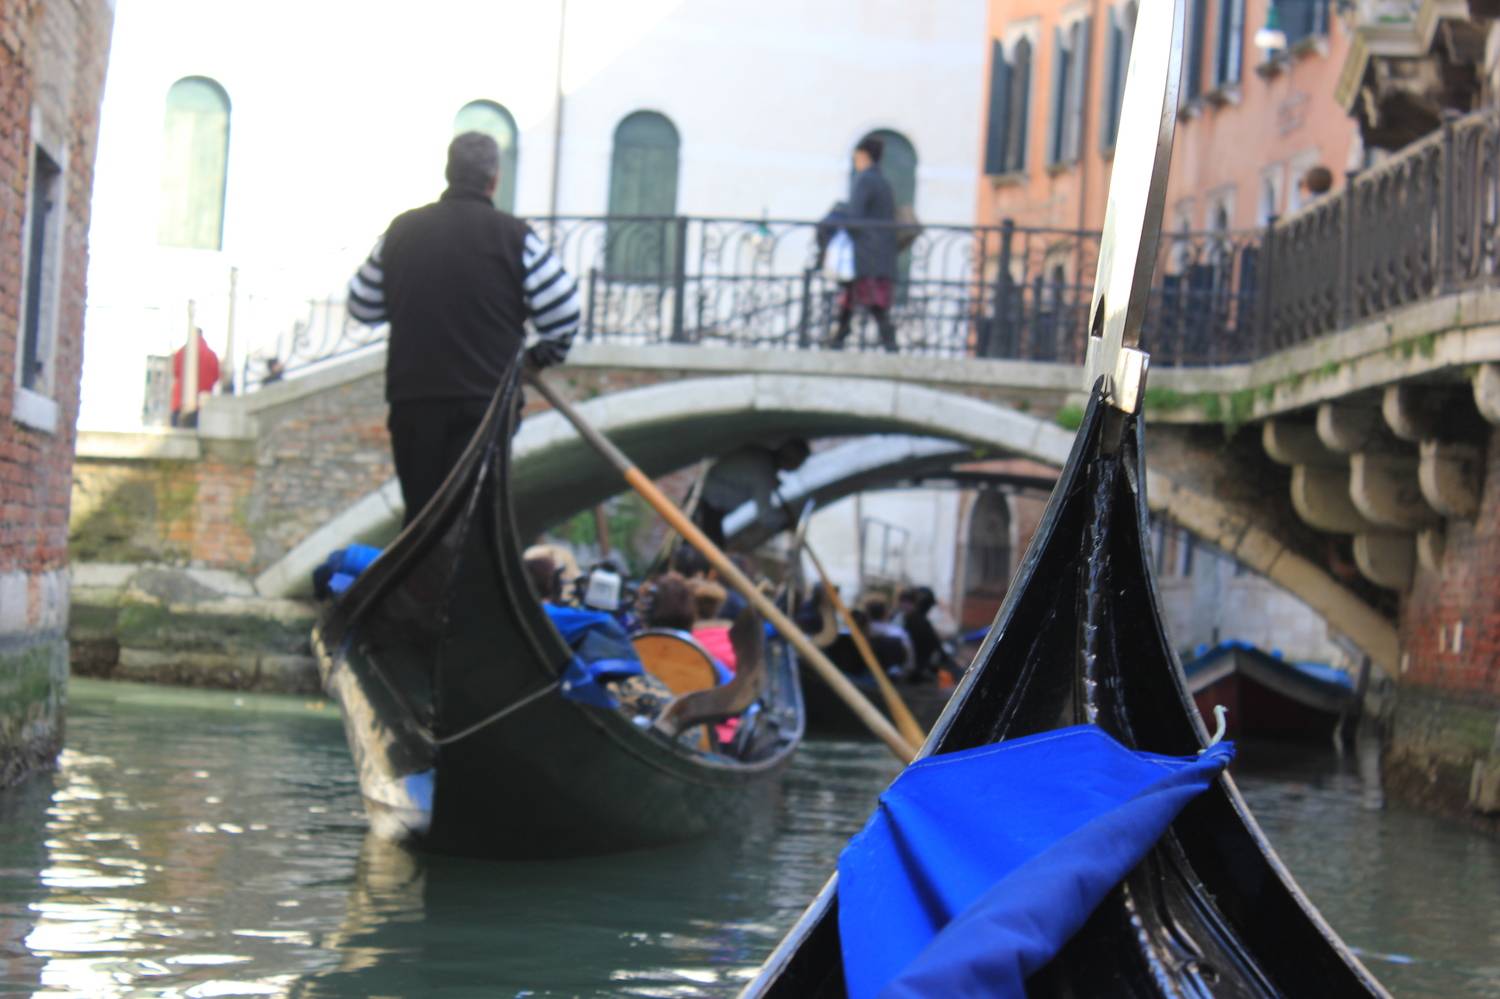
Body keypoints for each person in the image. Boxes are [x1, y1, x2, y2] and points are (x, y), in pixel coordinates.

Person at [346, 132, 581, 526]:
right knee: (476, 518)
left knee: (423, 514)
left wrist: (408, 299)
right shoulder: (514, 237)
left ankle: (424, 563)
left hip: (414, 400)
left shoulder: (401, 231)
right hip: (485, 403)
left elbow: (362, 306)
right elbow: (565, 314)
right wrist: (539, 358)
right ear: (495, 180)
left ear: (448, 173)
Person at [831, 135, 898, 352]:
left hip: (866, 254)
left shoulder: (865, 180)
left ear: (864, 156)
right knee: (862, 300)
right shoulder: (884, 182)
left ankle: (842, 339)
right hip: (880, 253)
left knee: (869, 301)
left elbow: (855, 216)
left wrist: (839, 213)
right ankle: (840, 338)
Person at [695, 439, 810, 547]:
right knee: (713, 551)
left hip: (707, 498)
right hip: (707, 503)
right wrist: (784, 523)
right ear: (792, 461)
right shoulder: (764, 471)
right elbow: (765, 514)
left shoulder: (761, 457)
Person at [170, 329, 220, 427]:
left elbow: (176, 372)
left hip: (180, 401)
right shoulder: (211, 355)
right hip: (203, 404)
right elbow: (216, 376)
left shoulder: (181, 352)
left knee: (177, 431)